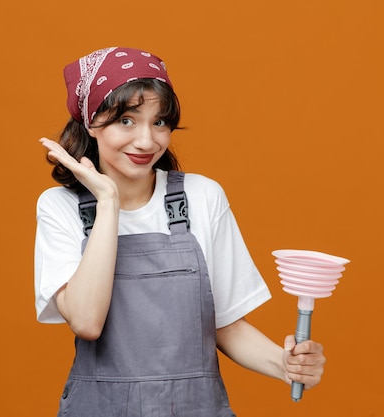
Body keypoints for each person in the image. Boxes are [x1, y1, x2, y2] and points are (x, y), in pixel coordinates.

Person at [34, 47, 325, 416]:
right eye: (127, 120)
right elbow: (87, 321)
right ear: (91, 121)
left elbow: (225, 326)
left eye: (159, 122)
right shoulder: (60, 207)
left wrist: (285, 364)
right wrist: (107, 201)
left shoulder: (203, 196)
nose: (146, 141)